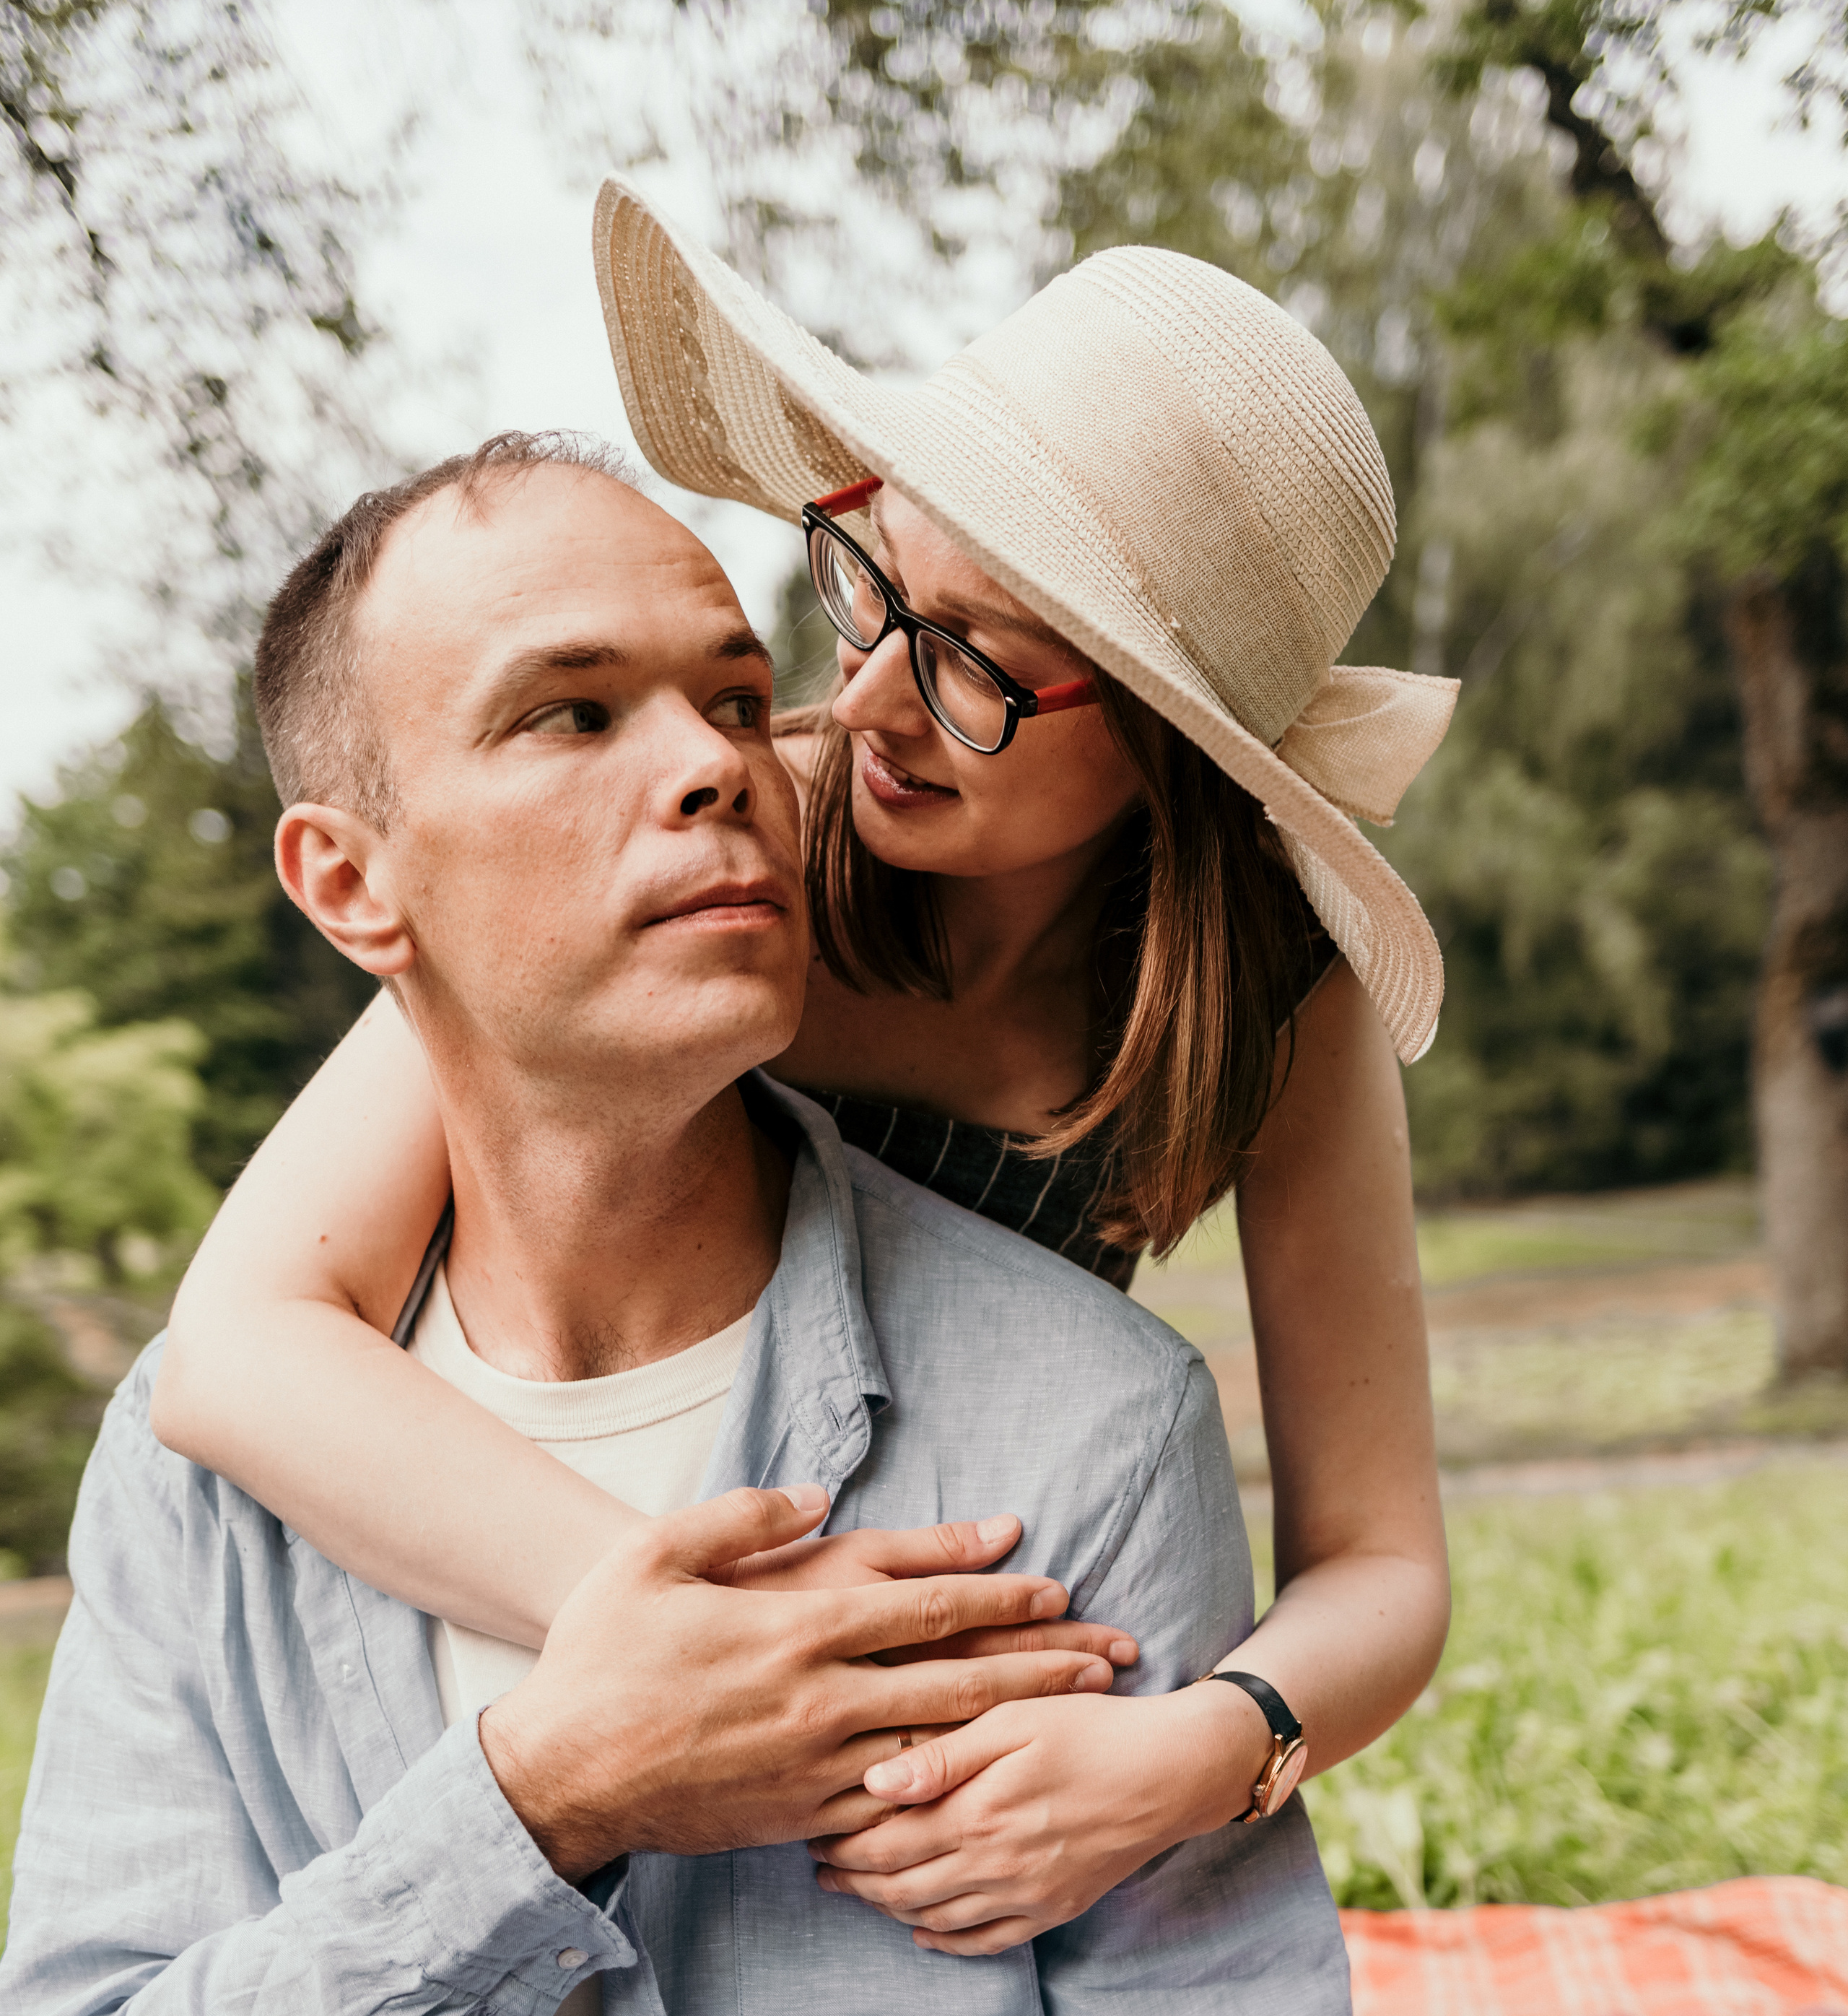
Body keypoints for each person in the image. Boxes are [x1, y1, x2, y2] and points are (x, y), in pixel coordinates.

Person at [152, 179, 1456, 1954]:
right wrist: (715, 1643)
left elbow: (1381, 1559)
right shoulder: (709, 849)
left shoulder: (1264, 1001)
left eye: (979, 666)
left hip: (971, 1606)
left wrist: (1185, 1756)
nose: (866, 704)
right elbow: (237, 1347)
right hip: (560, 1531)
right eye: (870, 585)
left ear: (1175, 742)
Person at [1, 440, 1351, 2014]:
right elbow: (228, 1353)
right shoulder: (203, 1482)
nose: (725, 761)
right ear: (352, 884)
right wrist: (543, 1793)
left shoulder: (1092, 1441)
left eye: (735, 700)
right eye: (572, 715)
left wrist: (1220, 1735)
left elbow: (1378, 1568)